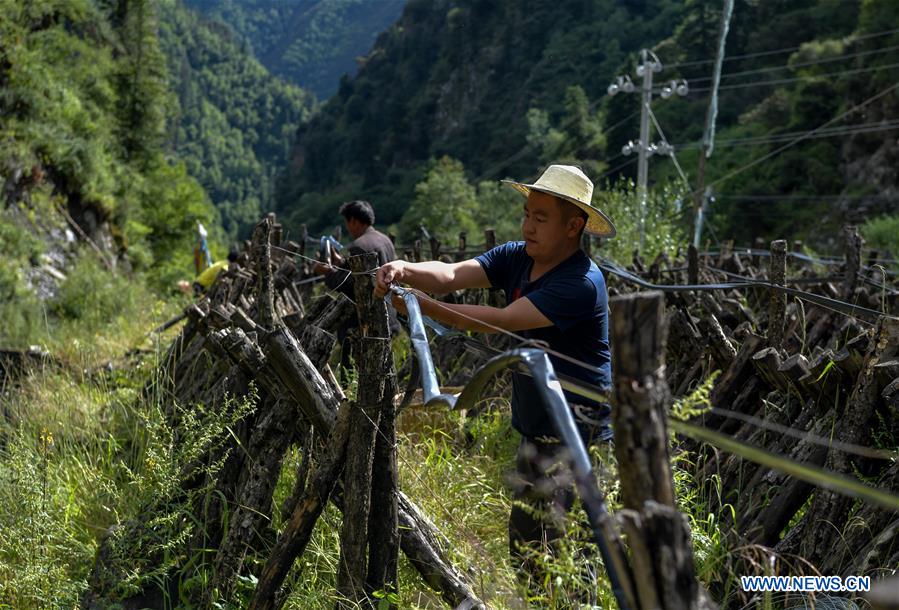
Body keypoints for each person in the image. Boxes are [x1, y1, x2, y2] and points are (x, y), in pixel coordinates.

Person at [373, 164, 616, 597]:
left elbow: (503, 323)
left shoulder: (580, 283)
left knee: (571, 561)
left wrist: (423, 307)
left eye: (541, 218)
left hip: (579, 439)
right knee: (527, 550)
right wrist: (406, 270)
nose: (528, 225)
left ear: (574, 226)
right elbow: (451, 275)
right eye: (527, 213)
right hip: (536, 431)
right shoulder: (518, 257)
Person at [315, 200, 401, 370]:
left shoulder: (359, 246)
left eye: (348, 222)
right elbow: (364, 269)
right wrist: (343, 262)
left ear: (353, 220)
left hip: (365, 323)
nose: (348, 228)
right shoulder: (384, 240)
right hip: (389, 316)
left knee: (357, 372)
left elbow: (348, 284)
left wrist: (327, 273)